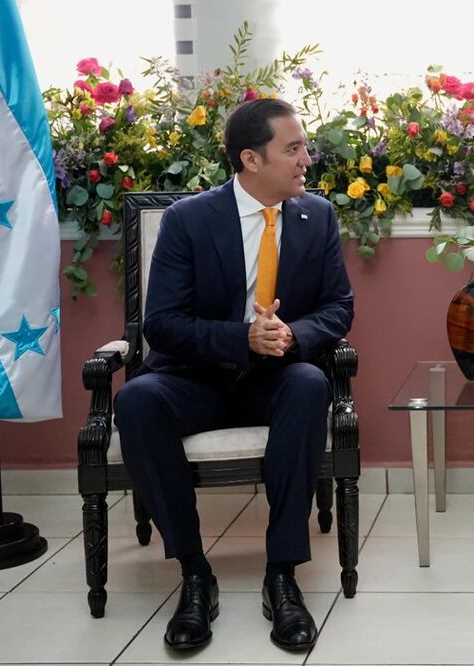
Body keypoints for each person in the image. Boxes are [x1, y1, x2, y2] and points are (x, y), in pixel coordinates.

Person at [114, 98, 354, 651]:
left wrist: (292, 335)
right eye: (292, 149)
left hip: (275, 379)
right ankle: (195, 574)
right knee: (137, 400)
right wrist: (240, 337)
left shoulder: (316, 217)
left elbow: (338, 307)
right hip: (197, 378)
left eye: (305, 146)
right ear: (250, 158)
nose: (306, 160)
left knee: (310, 383)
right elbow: (164, 324)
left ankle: (282, 575)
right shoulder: (190, 219)